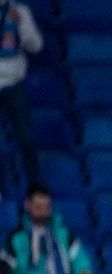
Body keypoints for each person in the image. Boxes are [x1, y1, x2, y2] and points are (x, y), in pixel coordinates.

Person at [0, 0, 42, 185]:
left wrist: (21, 25)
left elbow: (36, 46)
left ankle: (35, 187)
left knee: (25, 137)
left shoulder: (21, 12)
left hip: (14, 84)